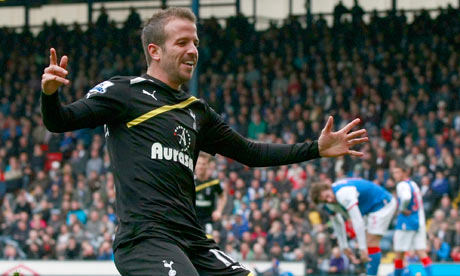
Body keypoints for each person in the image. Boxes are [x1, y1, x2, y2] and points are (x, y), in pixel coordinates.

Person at [41, 7, 368, 276]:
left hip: (193, 241)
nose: (193, 50)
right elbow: (60, 121)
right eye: (182, 42)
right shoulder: (122, 92)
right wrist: (50, 95)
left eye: (195, 42)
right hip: (146, 240)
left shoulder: (197, 111)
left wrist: (316, 148)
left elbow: (250, 153)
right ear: (154, 51)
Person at [310, 178, 397, 276]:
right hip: (368, 210)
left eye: (327, 196)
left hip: (381, 204)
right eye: (325, 200)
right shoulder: (328, 203)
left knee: (370, 243)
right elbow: (338, 224)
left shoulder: (343, 193)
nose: (329, 200)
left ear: (328, 188)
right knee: (367, 243)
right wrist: (344, 247)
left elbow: (357, 221)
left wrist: (362, 248)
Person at [392, 163, 433, 276]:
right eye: (394, 172)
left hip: (407, 222)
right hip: (419, 221)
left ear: (405, 172)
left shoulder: (402, 185)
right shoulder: (414, 184)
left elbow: (406, 197)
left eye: (397, 172)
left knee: (399, 253)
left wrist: (402, 208)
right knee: (421, 252)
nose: (395, 175)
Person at [195, 152, 226, 235]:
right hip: (193, 219)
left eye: (203, 164)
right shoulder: (190, 181)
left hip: (208, 220)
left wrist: (219, 211)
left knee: (207, 242)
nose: (201, 166)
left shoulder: (214, 182)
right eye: (199, 163)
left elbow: (223, 196)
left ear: (208, 165)